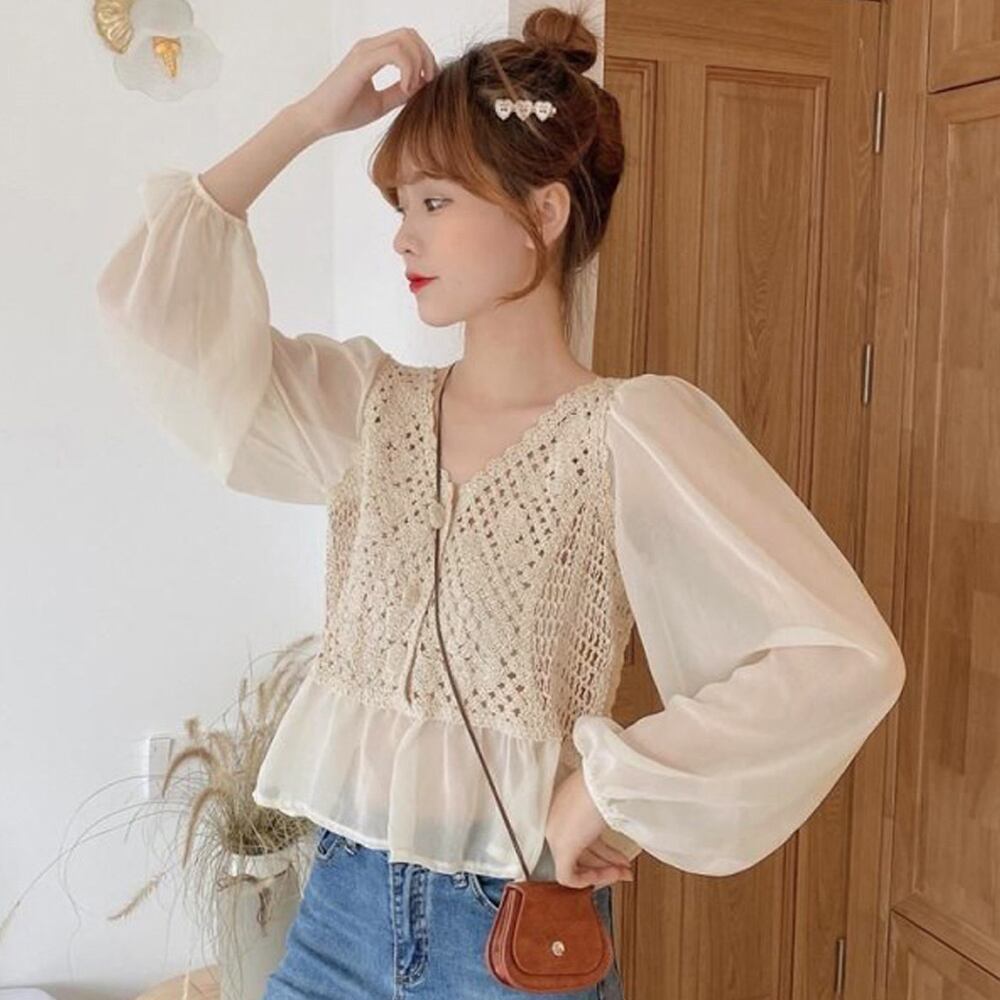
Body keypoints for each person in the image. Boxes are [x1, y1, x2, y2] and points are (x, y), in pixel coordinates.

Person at [94, 8, 906, 999]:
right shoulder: (368, 411)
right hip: (337, 913)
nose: (404, 235)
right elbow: (155, 316)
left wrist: (602, 787)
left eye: (434, 200)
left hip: (511, 934)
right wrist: (306, 118)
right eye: (402, 204)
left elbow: (839, 656)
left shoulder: (629, 431)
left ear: (545, 212)